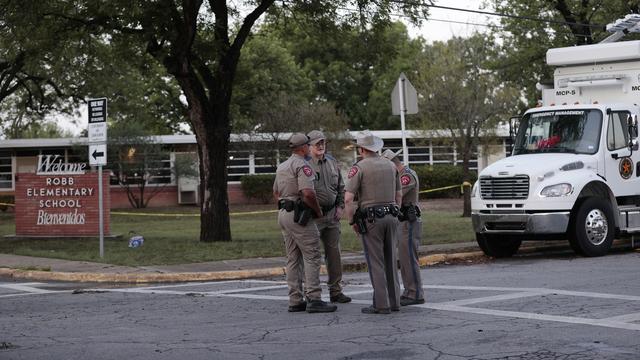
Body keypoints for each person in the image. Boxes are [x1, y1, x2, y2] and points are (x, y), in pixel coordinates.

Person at [273, 133, 337, 313]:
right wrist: (317, 211)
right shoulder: (303, 165)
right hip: (299, 216)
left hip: (284, 213)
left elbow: (276, 193)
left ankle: (295, 299)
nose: (310, 148)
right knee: (312, 254)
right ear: (303, 148)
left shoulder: (283, 166)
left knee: (293, 257)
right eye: (309, 145)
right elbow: (308, 193)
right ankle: (314, 298)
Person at [344, 131, 402, 314]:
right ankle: (395, 302)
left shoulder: (359, 168)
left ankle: (381, 304)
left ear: (361, 149)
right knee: (391, 260)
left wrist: (352, 219)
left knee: (376, 261)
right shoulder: (391, 166)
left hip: (371, 219)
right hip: (392, 215)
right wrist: (396, 211)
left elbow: (348, 199)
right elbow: (399, 194)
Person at [306, 130, 351, 304]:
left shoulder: (332, 162)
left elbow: (341, 187)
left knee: (334, 255)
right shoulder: (304, 164)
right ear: (309, 146)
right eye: (317, 143)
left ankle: (336, 291)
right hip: (313, 217)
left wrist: (340, 207)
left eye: (323, 142)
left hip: (332, 215)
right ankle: (312, 293)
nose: (321, 145)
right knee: (312, 256)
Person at [382, 149, 425, 306]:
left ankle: (415, 293)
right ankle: (410, 291)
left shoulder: (406, 176)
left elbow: (394, 195)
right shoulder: (401, 175)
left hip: (409, 222)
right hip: (403, 222)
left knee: (409, 259)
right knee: (405, 259)